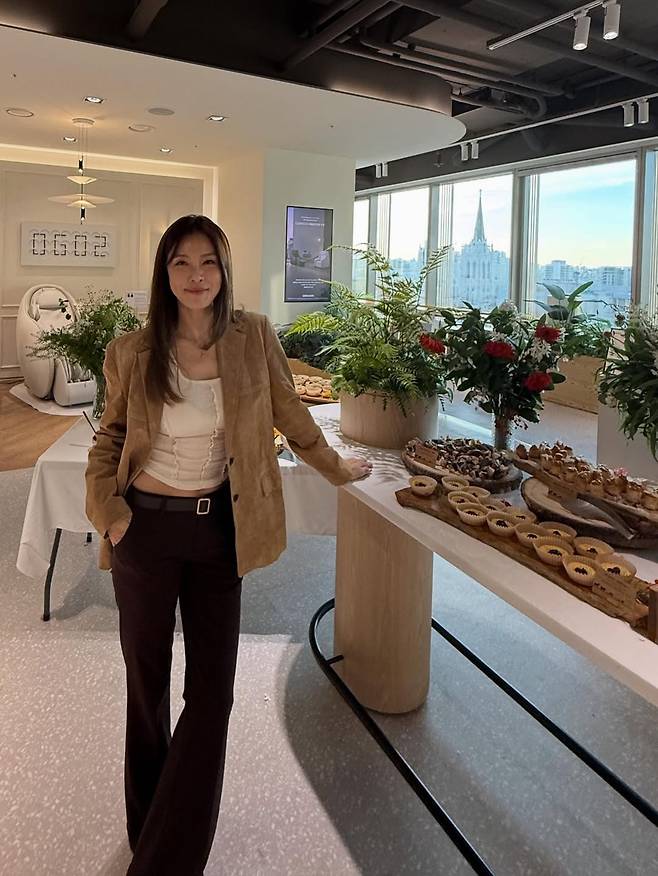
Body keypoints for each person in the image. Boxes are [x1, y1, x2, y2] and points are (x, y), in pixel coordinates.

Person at [85, 214, 371, 876]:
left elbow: (291, 415)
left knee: (213, 695)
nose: (196, 275)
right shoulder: (132, 350)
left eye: (208, 261)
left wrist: (336, 467)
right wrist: (111, 515)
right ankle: (148, 828)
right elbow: (110, 438)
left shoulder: (254, 336)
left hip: (220, 531)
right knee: (146, 687)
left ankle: (166, 859)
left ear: (225, 269)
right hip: (144, 530)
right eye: (181, 263)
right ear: (164, 272)